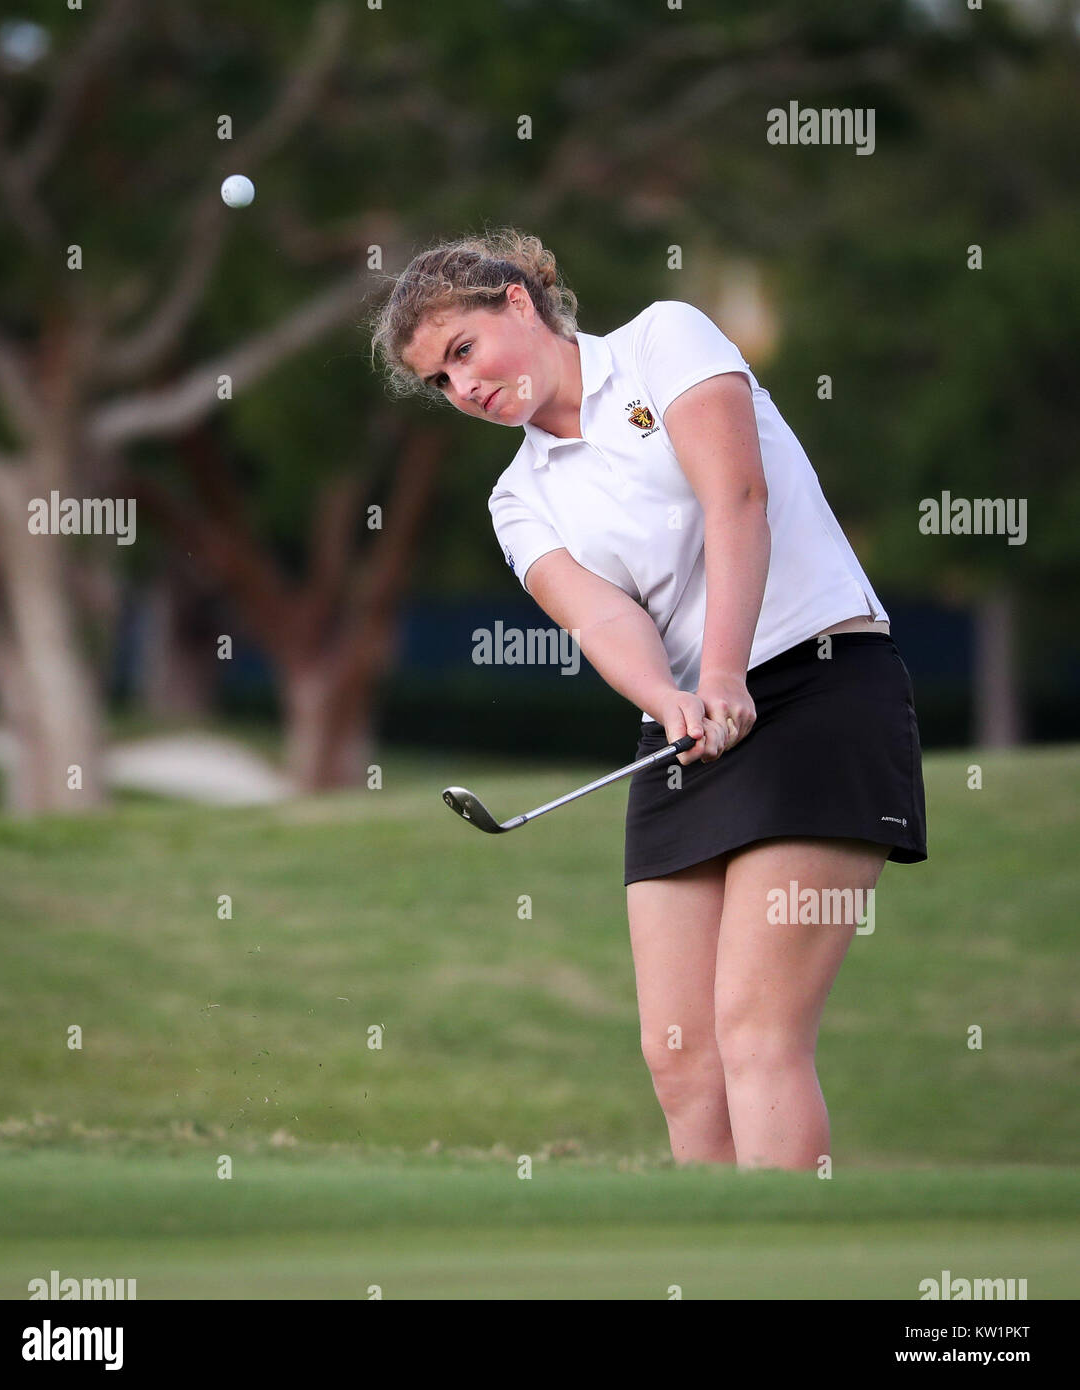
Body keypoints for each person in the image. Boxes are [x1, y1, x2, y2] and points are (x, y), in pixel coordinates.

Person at [370, 227, 927, 1172]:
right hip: (686, 731)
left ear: (517, 302)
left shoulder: (666, 339)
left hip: (821, 685)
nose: (461, 390)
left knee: (756, 1034)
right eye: (439, 382)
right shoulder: (518, 498)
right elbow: (602, 618)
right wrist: (669, 698)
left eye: (461, 352)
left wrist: (719, 674)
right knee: (682, 1063)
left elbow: (736, 501)